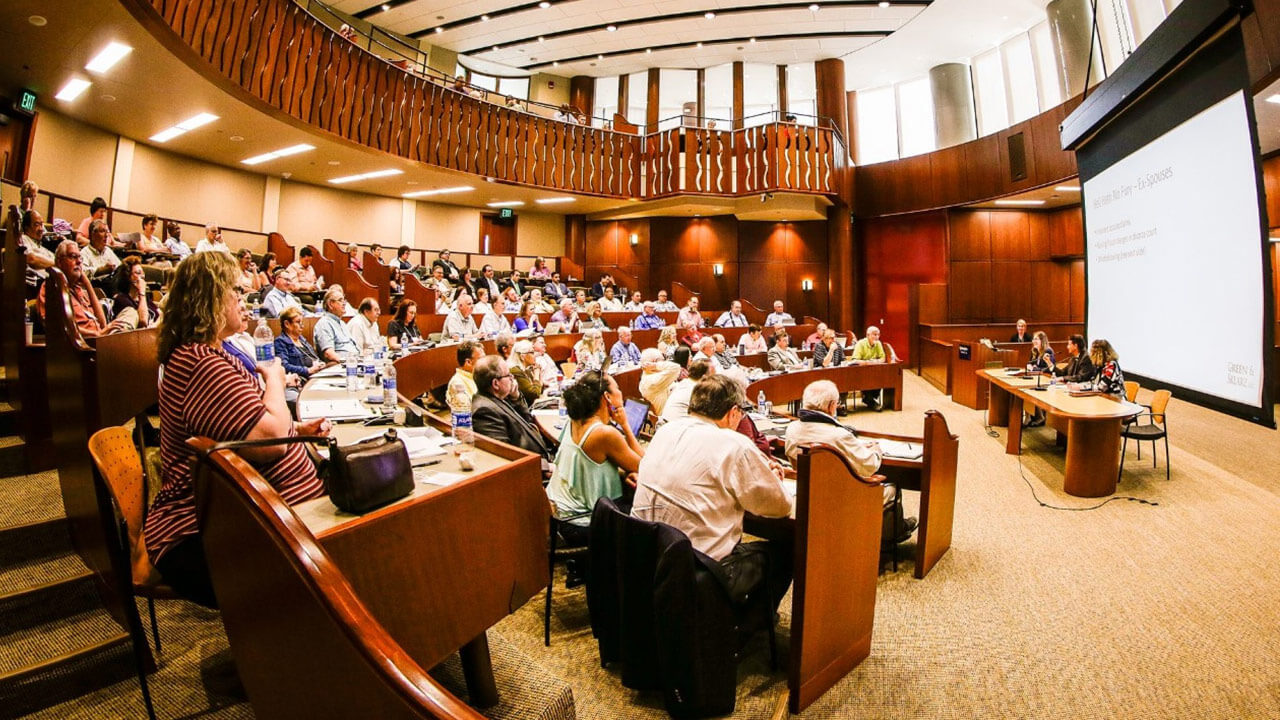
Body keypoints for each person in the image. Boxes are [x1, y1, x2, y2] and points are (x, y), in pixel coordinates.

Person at [144, 250, 328, 607]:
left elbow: (243, 421)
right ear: (210, 298)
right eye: (237, 293)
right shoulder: (199, 362)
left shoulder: (215, 351)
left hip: (251, 513)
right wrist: (274, 377)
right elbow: (268, 443)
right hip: (206, 531)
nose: (244, 302)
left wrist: (296, 428)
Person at [634, 374, 794, 613]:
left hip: (647, 555)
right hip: (699, 567)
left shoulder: (666, 430)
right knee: (787, 550)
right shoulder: (733, 443)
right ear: (733, 412)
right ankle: (744, 630)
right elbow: (779, 506)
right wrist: (769, 477)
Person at [783, 380, 916, 545]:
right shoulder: (839, 436)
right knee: (892, 485)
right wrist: (875, 450)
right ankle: (892, 536)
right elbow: (869, 466)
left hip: (809, 495)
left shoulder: (792, 429)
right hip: (843, 499)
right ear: (832, 406)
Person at [546, 370, 644, 556]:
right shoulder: (604, 434)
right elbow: (644, 466)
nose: (620, 391)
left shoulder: (574, 420)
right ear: (607, 396)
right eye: (618, 388)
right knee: (648, 513)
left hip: (562, 516)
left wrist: (625, 471)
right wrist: (625, 425)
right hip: (582, 523)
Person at [471, 355, 555, 471]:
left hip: (543, 458)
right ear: (496, 384)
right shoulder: (484, 411)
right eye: (509, 375)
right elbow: (505, 455)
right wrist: (546, 467)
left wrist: (516, 398)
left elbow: (528, 422)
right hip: (534, 472)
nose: (512, 379)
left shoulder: (498, 398)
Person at [38, 240, 130, 337]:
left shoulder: (78, 289)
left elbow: (102, 323)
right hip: (83, 344)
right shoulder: (51, 288)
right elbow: (57, 326)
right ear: (60, 262)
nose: (78, 262)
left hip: (100, 337)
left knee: (130, 312)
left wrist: (87, 283)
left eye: (80, 258)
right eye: (73, 257)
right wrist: (96, 333)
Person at [275, 305, 327, 381]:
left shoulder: (302, 339)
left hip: (316, 374)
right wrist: (308, 370)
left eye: (302, 322)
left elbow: (314, 357)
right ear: (287, 324)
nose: (302, 326)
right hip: (301, 379)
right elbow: (284, 366)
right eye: (298, 322)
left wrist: (320, 364)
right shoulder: (280, 342)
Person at [111, 258, 161, 329]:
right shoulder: (121, 299)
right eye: (138, 273)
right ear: (128, 277)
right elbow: (143, 321)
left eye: (143, 273)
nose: (143, 276)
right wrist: (142, 292)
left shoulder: (145, 298)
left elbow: (160, 315)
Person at [659, 357, 714, 422]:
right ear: (704, 377)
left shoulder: (683, 383)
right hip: (676, 428)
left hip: (664, 425)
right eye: (714, 373)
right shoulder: (698, 390)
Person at [313, 286, 359, 362]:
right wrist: (347, 363)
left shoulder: (342, 323)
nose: (344, 303)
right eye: (340, 300)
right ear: (331, 304)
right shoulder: (324, 323)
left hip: (353, 362)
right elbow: (329, 354)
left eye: (344, 300)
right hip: (339, 365)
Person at [851, 326, 889, 410]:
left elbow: (883, 358)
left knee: (881, 378)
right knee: (868, 378)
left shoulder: (878, 343)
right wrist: (867, 362)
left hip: (874, 370)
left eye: (878, 334)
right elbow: (855, 360)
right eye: (874, 334)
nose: (876, 337)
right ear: (868, 335)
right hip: (861, 371)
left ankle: (868, 399)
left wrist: (875, 362)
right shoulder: (860, 344)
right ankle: (870, 400)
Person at [638, 347, 682, 414]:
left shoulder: (647, 375)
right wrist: (655, 365)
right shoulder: (652, 380)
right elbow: (676, 368)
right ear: (653, 362)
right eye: (663, 360)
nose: (664, 362)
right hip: (665, 418)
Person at [19, 209, 55, 286]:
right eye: (36, 225)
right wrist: (57, 264)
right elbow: (31, 259)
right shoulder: (23, 239)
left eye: (41, 224)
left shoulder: (42, 247)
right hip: (36, 287)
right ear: (27, 228)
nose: (41, 229)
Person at [510, 339, 545, 405]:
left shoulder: (526, 370)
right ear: (522, 357)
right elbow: (534, 394)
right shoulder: (516, 371)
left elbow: (539, 390)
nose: (534, 355)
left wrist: (539, 374)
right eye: (532, 352)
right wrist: (536, 374)